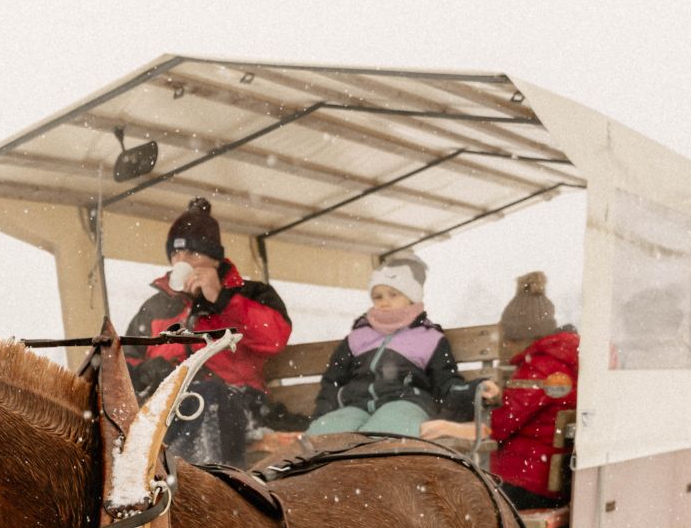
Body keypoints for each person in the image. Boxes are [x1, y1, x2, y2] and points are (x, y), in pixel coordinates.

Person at [124, 197, 292, 467]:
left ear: (214, 259)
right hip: (170, 401)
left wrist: (221, 299)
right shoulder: (156, 307)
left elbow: (274, 339)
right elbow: (126, 359)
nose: (182, 260)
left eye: (192, 254)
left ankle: (198, 483)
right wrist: (148, 371)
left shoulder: (249, 294)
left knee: (209, 397)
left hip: (238, 401)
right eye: (176, 254)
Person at [309, 255, 474, 438]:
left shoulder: (429, 338)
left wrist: (471, 391)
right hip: (356, 405)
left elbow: (445, 380)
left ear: (411, 297)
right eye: (377, 296)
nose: (384, 302)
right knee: (322, 438)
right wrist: (322, 416)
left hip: (406, 403)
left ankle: (376, 460)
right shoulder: (358, 337)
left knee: (381, 436)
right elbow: (333, 380)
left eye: (393, 294)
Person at [484, 273, 579, 509]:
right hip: (550, 481)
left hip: (525, 484)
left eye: (507, 338)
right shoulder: (564, 361)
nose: (504, 345)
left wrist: (477, 408)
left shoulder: (540, 368)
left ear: (519, 336)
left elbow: (498, 425)